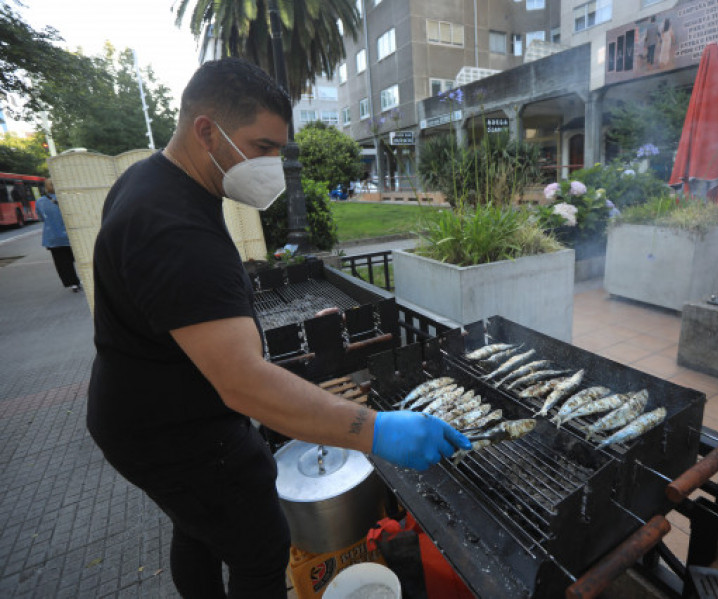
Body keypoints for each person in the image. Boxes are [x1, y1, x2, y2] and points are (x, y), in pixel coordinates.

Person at [86, 58, 470, 599]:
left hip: (136, 416)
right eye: (262, 146)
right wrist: (376, 430)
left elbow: (177, 307)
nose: (272, 163)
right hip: (176, 435)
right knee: (260, 549)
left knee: (196, 528)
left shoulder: (152, 181)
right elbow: (244, 383)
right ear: (206, 131)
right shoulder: (174, 229)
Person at [35, 178, 81, 292]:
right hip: (70, 235)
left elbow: (41, 218)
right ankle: (86, 278)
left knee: (61, 262)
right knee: (78, 258)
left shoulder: (40, 202)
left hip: (52, 237)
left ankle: (73, 284)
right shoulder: (67, 199)